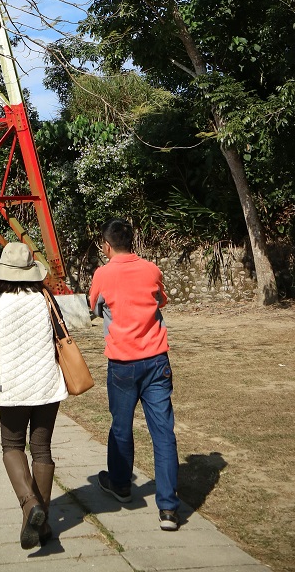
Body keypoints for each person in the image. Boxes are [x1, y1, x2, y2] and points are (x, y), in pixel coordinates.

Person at [0, 241, 68, 550]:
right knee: (42, 450)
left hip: (11, 386)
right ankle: (43, 523)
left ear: (2, 273)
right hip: (47, 385)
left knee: (12, 445)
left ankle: (29, 507)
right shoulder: (46, 298)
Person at [89, 218, 181, 531]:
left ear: (106, 245)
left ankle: (121, 484)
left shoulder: (103, 273)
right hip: (156, 359)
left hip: (122, 362)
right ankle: (168, 508)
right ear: (133, 242)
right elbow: (160, 300)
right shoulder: (152, 269)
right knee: (163, 433)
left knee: (121, 426)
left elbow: (95, 306)